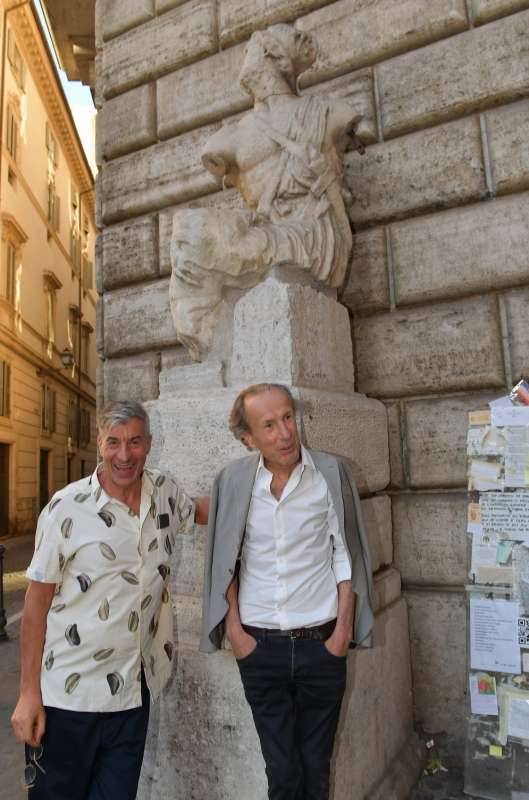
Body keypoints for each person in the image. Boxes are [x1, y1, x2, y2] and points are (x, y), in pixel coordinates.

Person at [11, 400, 209, 800]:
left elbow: (201, 510)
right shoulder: (66, 508)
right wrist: (28, 693)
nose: (124, 454)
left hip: (133, 697)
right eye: (114, 442)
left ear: (149, 444)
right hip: (68, 699)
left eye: (134, 442)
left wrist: (263, 489)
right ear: (99, 444)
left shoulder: (166, 493)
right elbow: (35, 606)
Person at [200, 383, 373, 800]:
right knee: (282, 773)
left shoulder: (330, 474)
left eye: (288, 418)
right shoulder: (233, 481)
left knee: (316, 770)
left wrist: (341, 634)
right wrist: (237, 634)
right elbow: (230, 559)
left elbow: (344, 556)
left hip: (322, 644)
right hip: (259, 650)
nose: (285, 433)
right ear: (249, 438)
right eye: (269, 425)